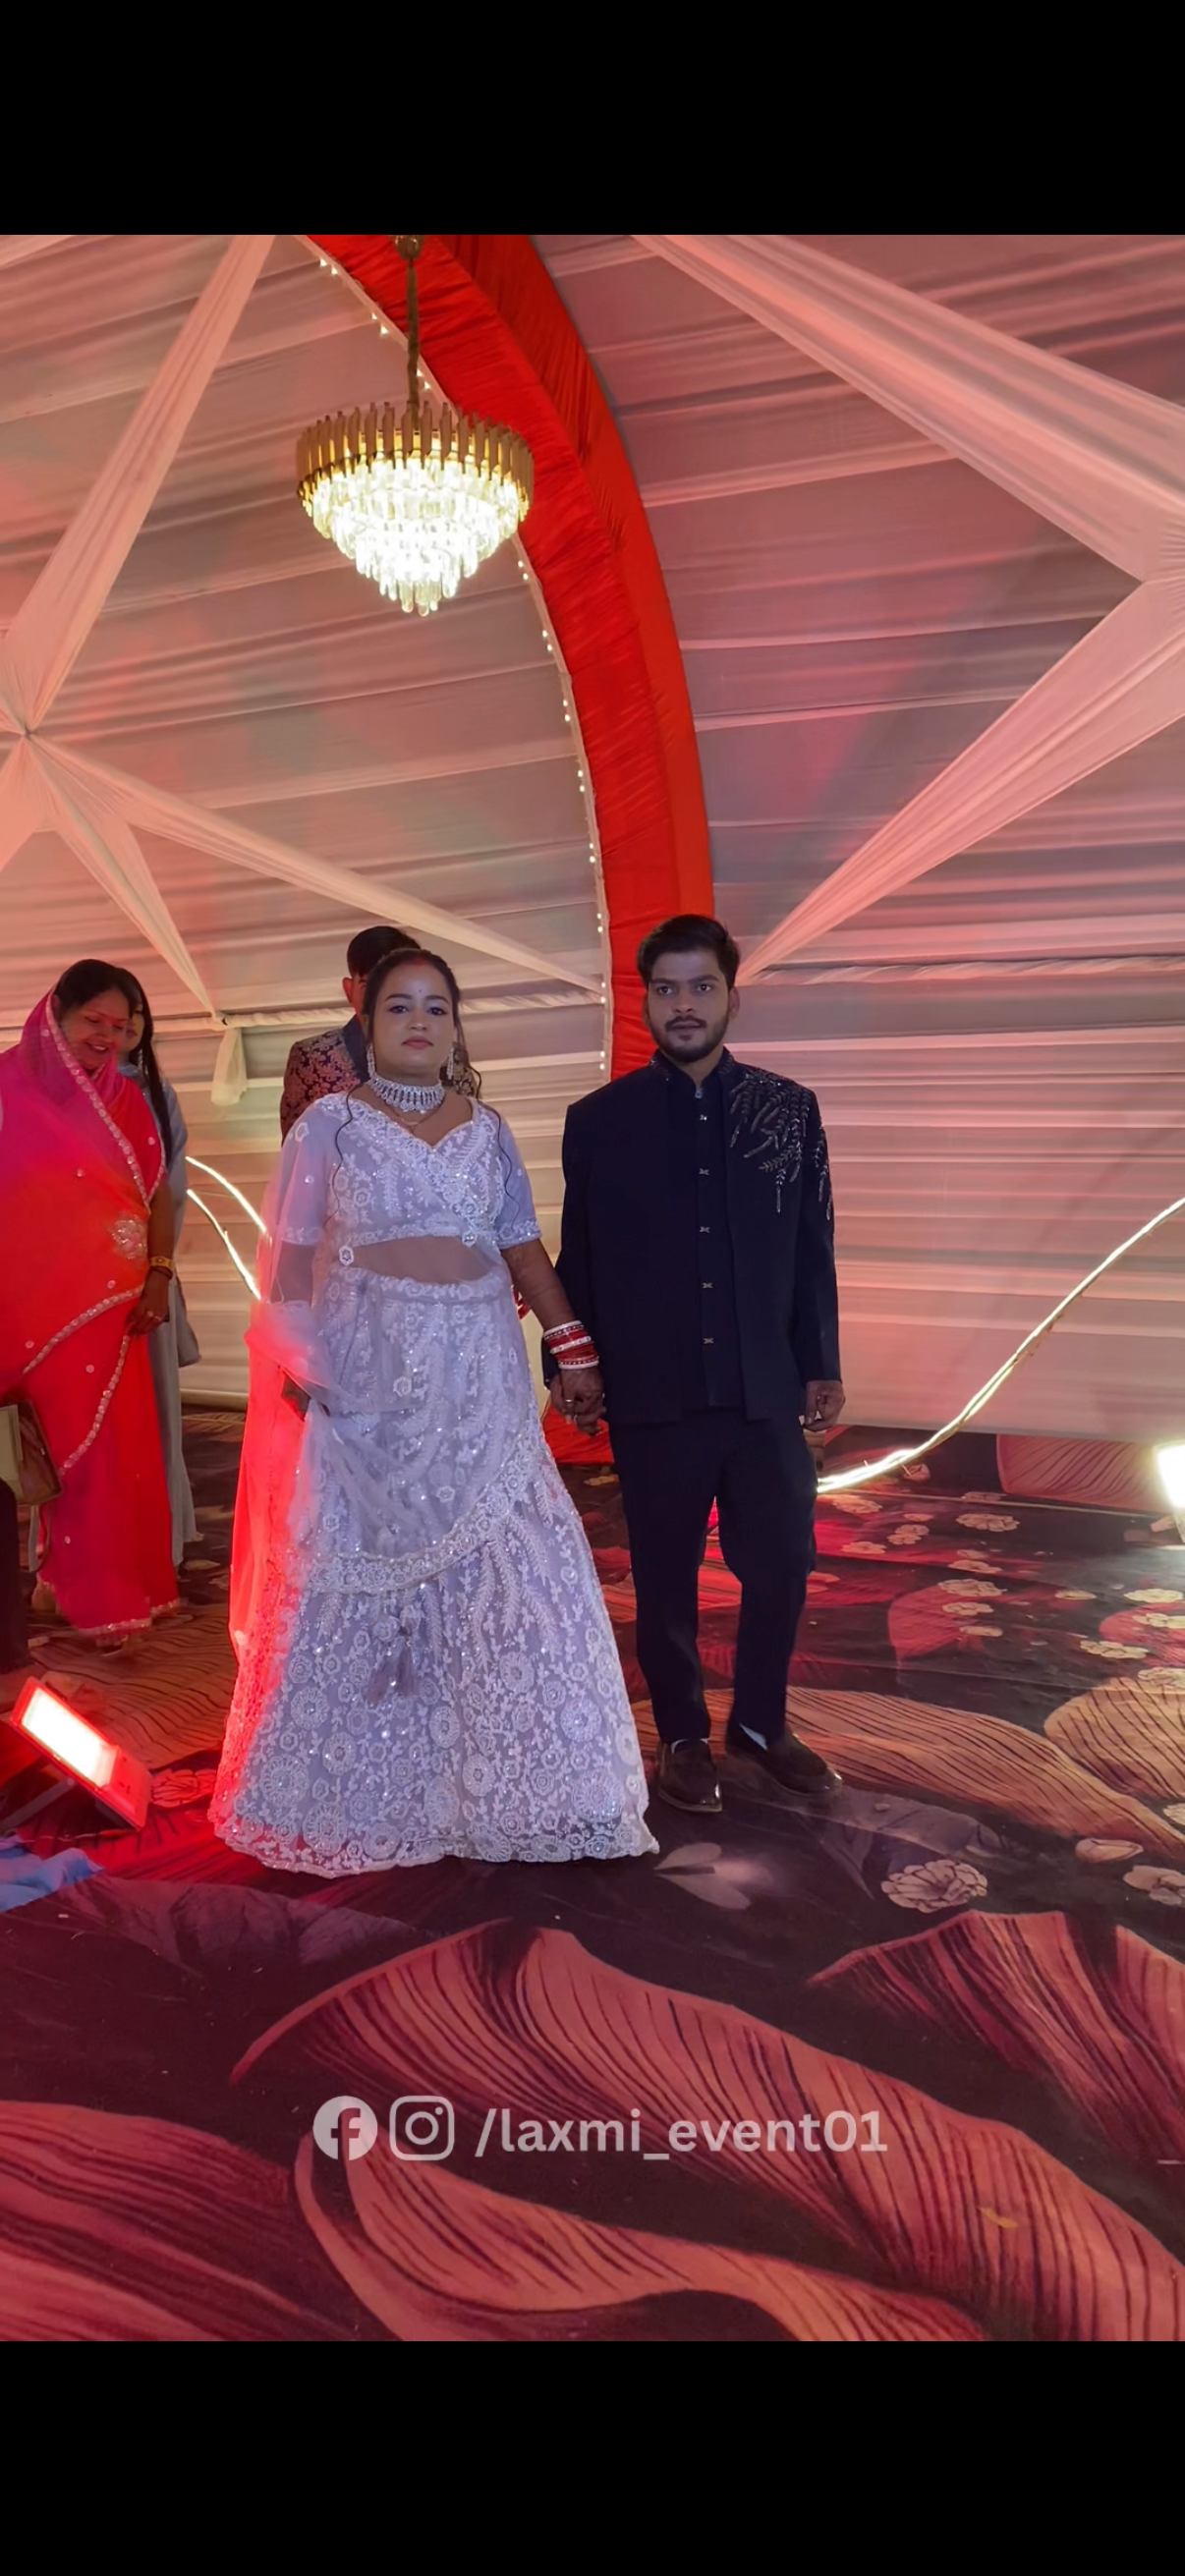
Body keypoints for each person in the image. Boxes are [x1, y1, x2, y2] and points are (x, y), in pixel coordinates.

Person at [211, 945, 655, 1875]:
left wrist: (572, 1344)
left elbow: (522, 1248)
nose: (419, 1021)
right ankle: (363, 1793)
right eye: (399, 1006)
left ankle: (530, 1787)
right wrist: (303, 1364)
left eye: (437, 1008)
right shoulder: (330, 1125)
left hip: (479, 1378)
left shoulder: (487, 1129)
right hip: (367, 1379)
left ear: (456, 1029)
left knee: (514, 1564)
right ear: (366, 1023)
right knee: (364, 1569)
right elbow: (288, 1259)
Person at [549, 915, 845, 1818]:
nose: (684, 1005)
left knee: (782, 1562)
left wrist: (821, 1363)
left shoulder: (787, 1112)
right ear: (646, 1001)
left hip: (763, 1388)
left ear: (731, 999)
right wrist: (572, 1366)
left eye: (701, 987)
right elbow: (580, 1257)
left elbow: (812, 1247)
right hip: (656, 1390)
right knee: (665, 1575)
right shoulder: (599, 1122)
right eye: (667, 989)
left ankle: (759, 1721)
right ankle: (681, 1733)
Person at [0, 963, 178, 1640]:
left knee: (102, 1456)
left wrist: (159, 1273)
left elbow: (158, 1195)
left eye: (121, 1027)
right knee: (34, 1452)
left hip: (112, 1307)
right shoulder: (6, 1086)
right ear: (55, 1015)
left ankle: (104, 1598)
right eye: (92, 1022)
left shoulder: (127, 1098)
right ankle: (51, 1581)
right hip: (24, 1302)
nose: (107, 1037)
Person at [118, 983, 199, 1568]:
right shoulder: (49, 1093)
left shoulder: (155, 1092)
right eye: (99, 1018)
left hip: (146, 1270)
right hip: (75, 1283)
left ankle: (156, 1548)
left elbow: (170, 1191)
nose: (119, 1028)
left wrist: (156, 1268)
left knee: (155, 1414)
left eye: (134, 1016)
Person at [279, 924, 416, 1140]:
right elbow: (297, 1148)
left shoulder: (447, 1058)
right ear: (349, 990)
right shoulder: (313, 1058)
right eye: (369, 987)